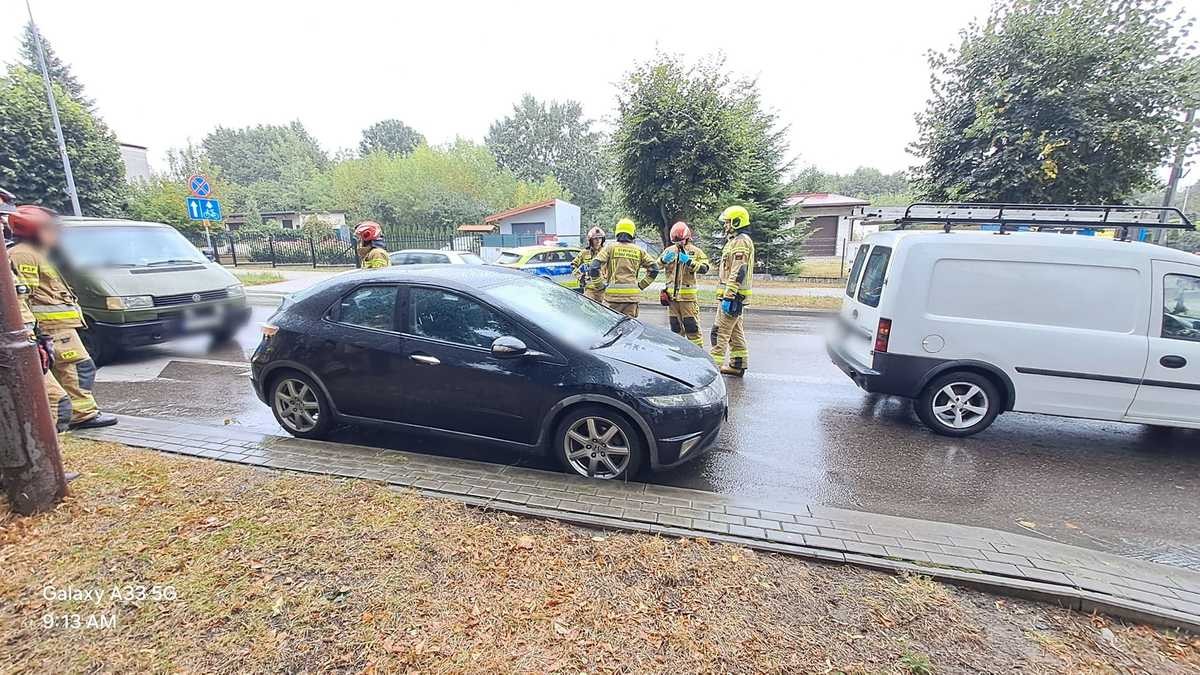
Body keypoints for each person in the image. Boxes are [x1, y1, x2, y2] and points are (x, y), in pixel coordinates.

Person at [8, 205, 116, 429]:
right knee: (76, 368)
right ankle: (80, 416)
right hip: (51, 328)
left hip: (61, 327)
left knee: (76, 369)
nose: (56, 234)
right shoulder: (23, 254)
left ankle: (82, 413)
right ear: (35, 231)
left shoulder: (37, 253)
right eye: (51, 229)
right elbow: (22, 297)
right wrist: (33, 332)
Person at [710, 205, 755, 376]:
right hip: (734, 296)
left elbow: (738, 270)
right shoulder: (735, 241)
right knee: (735, 333)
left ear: (737, 222)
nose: (725, 225)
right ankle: (737, 365)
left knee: (719, 332)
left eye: (728, 222)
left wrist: (729, 296)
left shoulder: (740, 242)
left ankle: (713, 370)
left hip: (733, 297)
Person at [590, 218, 658, 317]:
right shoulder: (639, 250)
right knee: (629, 325)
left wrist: (599, 286)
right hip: (631, 298)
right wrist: (641, 286)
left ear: (617, 232)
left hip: (612, 298)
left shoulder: (610, 248)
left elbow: (594, 267)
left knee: (611, 325)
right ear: (632, 233)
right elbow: (654, 269)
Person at [658, 221, 710, 347]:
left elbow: (705, 268)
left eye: (680, 241)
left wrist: (690, 262)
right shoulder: (669, 251)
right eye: (675, 241)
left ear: (687, 237)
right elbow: (655, 266)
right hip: (672, 299)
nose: (678, 243)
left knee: (692, 328)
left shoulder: (696, 252)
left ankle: (697, 354)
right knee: (675, 329)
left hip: (688, 299)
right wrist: (663, 260)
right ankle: (678, 353)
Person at [571, 227, 608, 304]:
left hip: (603, 290)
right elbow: (573, 265)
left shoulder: (606, 252)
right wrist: (579, 276)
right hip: (589, 290)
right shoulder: (584, 253)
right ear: (591, 240)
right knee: (586, 308)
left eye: (600, 238)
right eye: (595, 238)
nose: (598, 240)